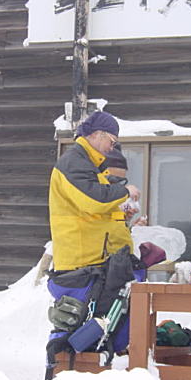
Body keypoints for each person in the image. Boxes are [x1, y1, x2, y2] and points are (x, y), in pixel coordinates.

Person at [49, 111, 140, 271]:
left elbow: (101, 212)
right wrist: (125, 191)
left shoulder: (91, 165)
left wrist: (122, 214)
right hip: (80, 264)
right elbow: (96, 201)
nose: (112, 148)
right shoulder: (74, 162)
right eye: (112, 142)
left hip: (96, 260)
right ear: (98, 134)